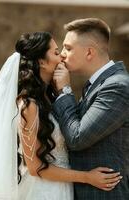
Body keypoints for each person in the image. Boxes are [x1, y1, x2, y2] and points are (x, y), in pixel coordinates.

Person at [0, 32, 121, 200]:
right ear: (41, 62)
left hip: (63, 188)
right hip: (44, 192)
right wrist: (87, 177)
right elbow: (35, 167)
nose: (62, 55)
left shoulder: (50, 96)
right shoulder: (29, 105)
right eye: (55, 52)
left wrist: (63, 90)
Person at [53, 18, 129, 200]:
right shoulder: (98, 84)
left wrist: (64, 91)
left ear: (89, 52)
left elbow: (77, 138)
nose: (62, 55)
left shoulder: (117, 87)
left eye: (68, 48)